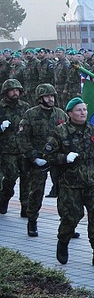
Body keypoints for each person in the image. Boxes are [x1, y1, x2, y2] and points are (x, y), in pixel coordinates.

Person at [43, 97, 94, 266]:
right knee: (71, 217)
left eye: (84, 109)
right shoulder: (60, 132)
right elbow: (47, 154)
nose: (83, 113)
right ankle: (63, 242)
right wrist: (64, 157)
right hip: (70, 184)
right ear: (70, 113)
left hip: (92, 182)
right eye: (78, 110)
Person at [18, 83, 68, 237]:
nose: (51, 99)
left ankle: (67, 225)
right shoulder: (30, 115)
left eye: (52, 96)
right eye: (47, 96)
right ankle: (32, 221)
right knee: (36, 192)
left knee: (65, 193)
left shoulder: (60, 114)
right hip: (38, 160)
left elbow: (68, 134)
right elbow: (22, 138)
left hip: (57, 159)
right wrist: (33, 156)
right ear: (40, 98)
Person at [0, 78, 30, 215]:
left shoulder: (25, 106)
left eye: (17, 90)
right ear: (6, 92)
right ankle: (4, 198)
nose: (15, 93)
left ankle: (25, 207)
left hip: (23, 148)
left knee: (26, 178)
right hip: (7, 149)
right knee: (10, 177)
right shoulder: (1, 107)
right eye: (12, 90)